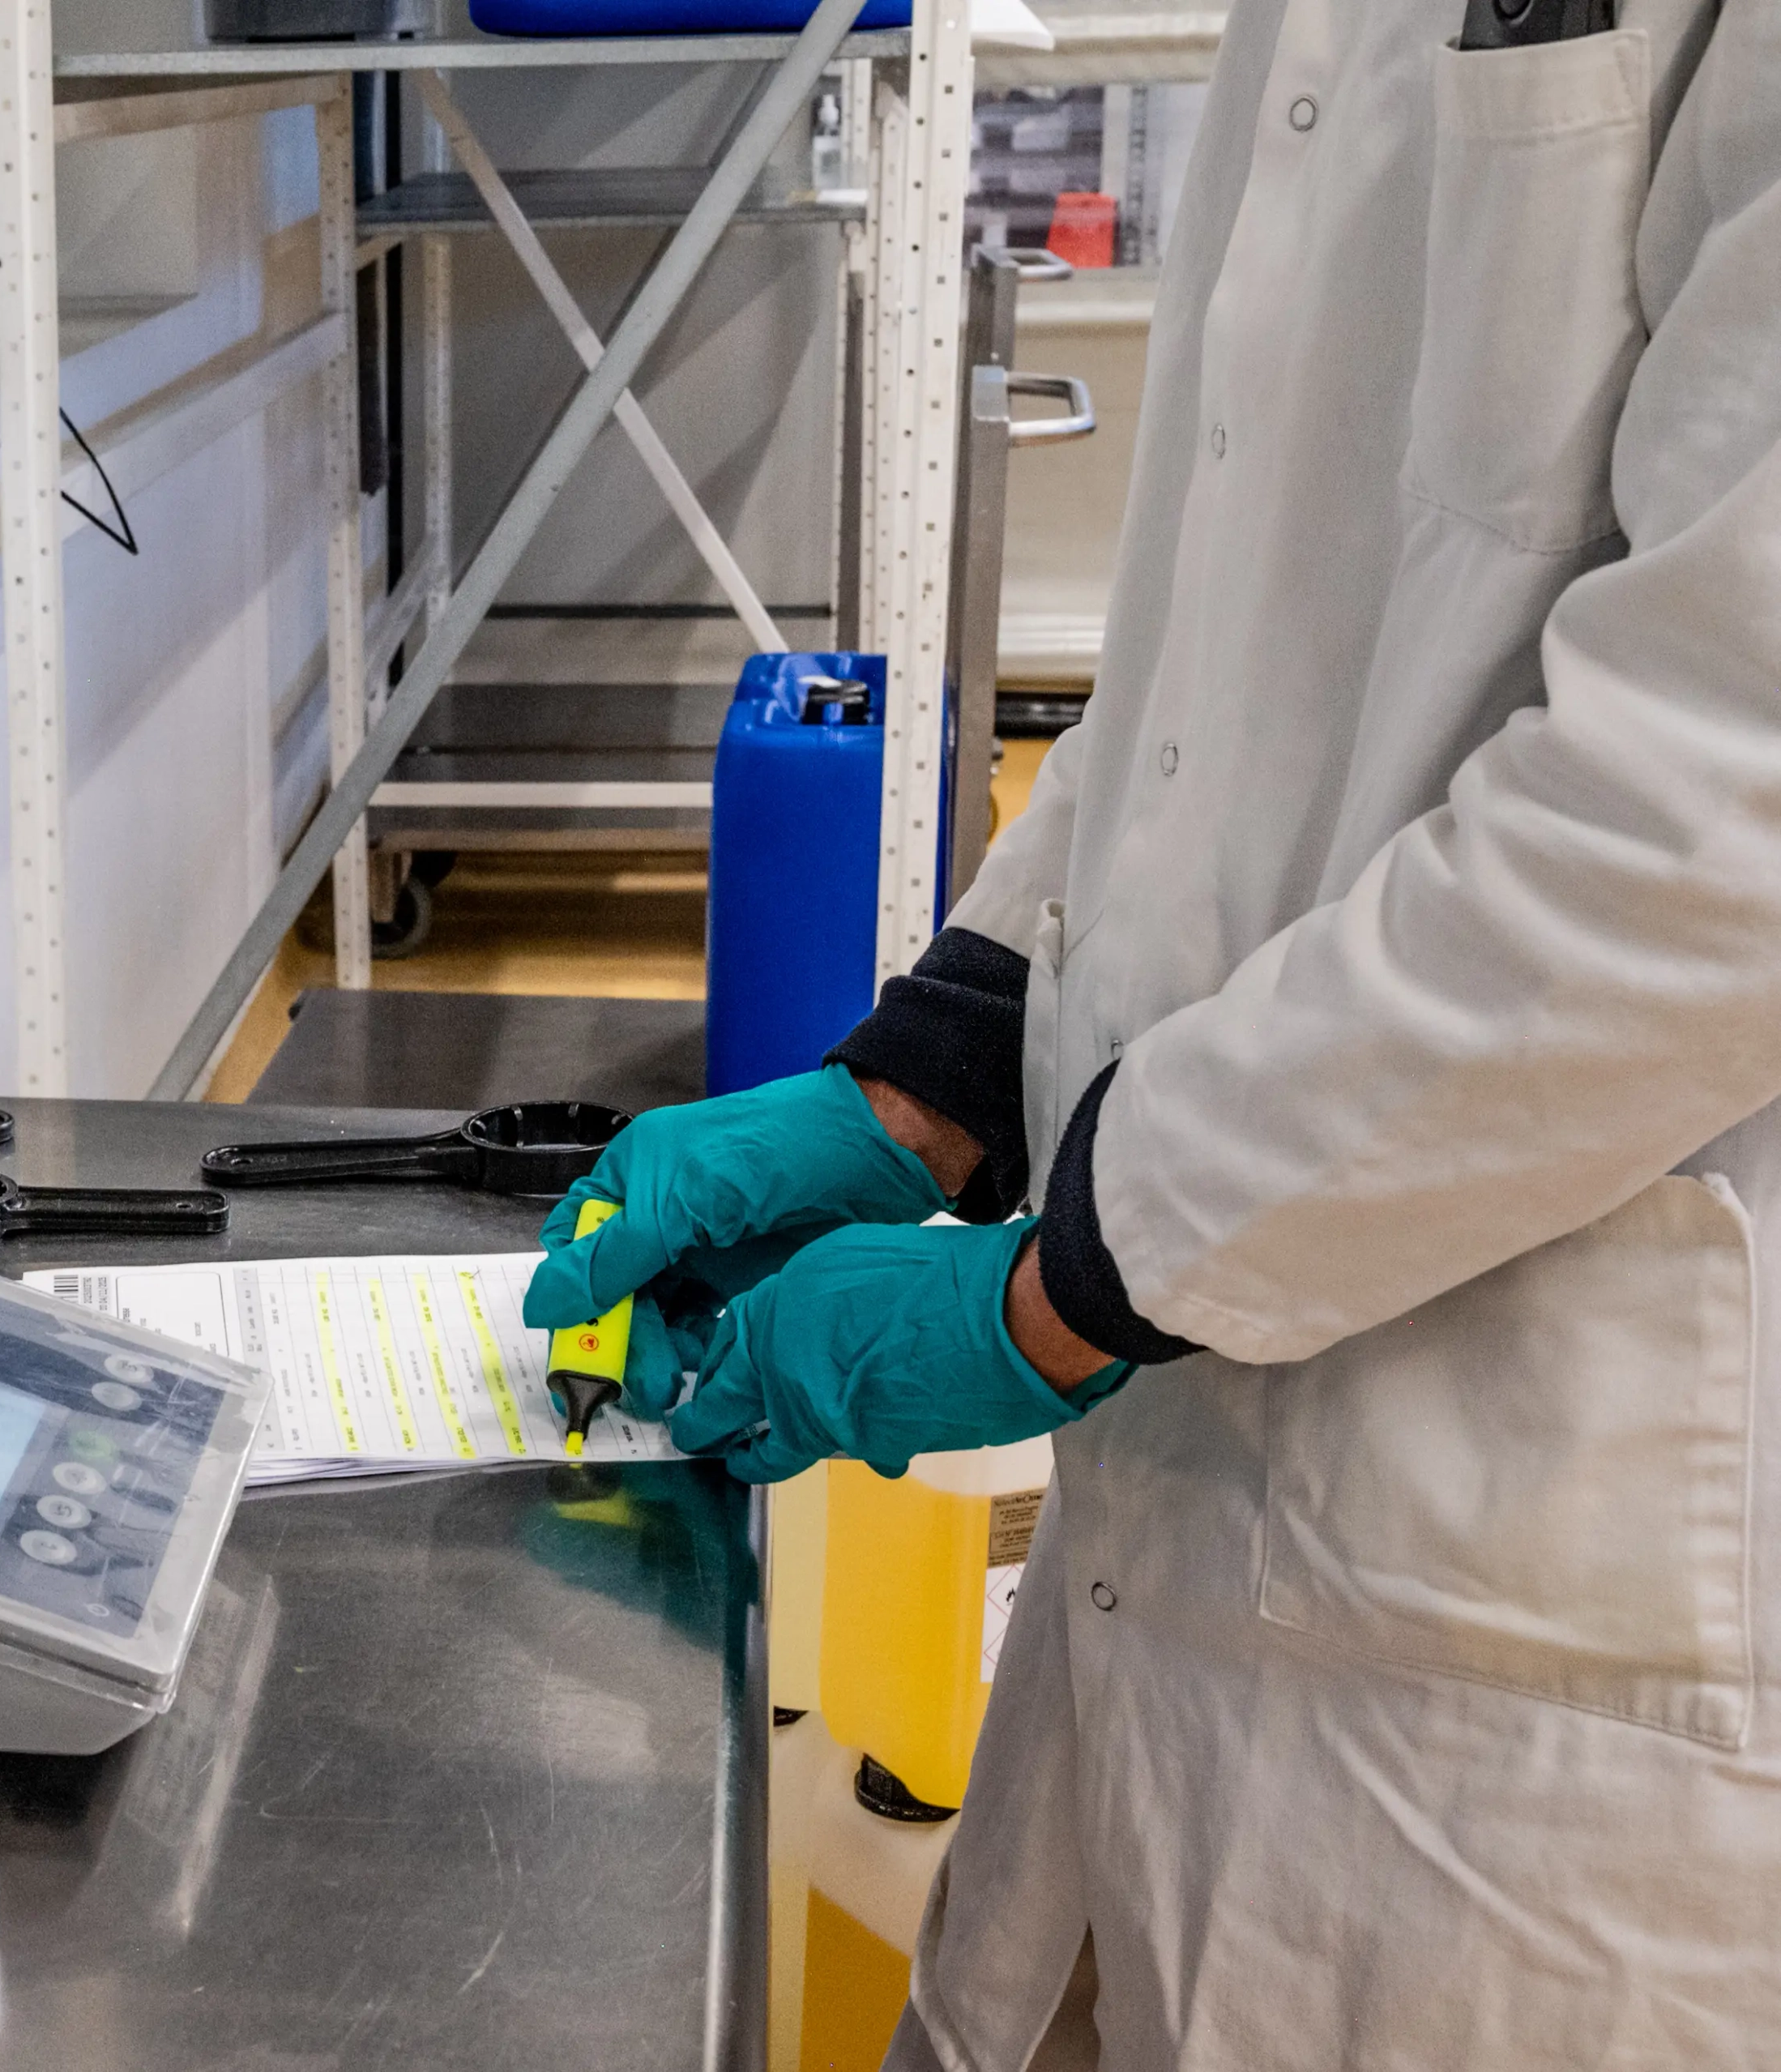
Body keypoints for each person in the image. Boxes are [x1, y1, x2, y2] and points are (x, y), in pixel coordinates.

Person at [523, 0, 1781, 2058]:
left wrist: (1068, 1286)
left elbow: (1723, 806)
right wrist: (937, 1073)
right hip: (1193, 1510)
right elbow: (1248, 652)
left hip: (1538, 1589)